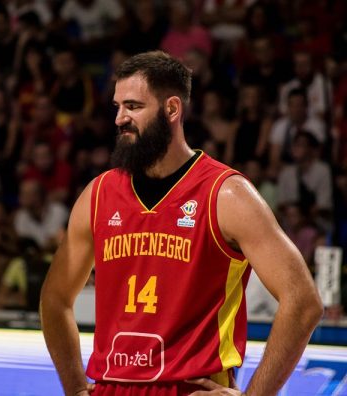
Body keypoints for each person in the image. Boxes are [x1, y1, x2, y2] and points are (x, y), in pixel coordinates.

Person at [40, 51, 323, 396]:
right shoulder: (98, 194)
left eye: (133, 106)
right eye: (117, 106)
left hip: (189, 387)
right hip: (112, 388)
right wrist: (74, 387)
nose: (119, 118)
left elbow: (303, 300)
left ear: (172, 109)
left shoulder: (227, 194)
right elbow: (55, 298)